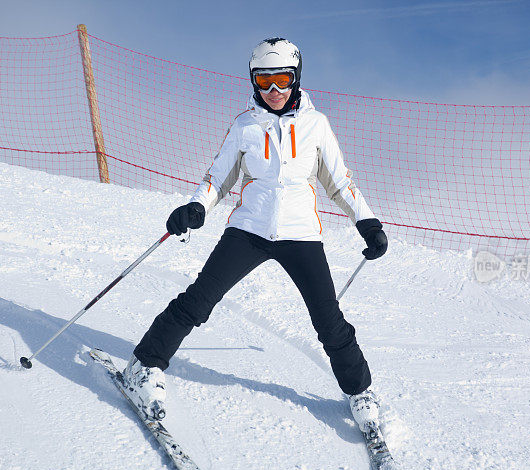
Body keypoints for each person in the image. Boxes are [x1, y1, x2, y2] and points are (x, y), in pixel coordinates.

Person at [122, 38, 388, 431]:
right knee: (198, 300)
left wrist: (367, 222)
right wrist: (196, 206)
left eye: (283, 79)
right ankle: (144, 366)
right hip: (248, 230)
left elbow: (341, 183)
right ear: (254, 82)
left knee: (328, 320)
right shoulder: (245, 126)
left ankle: (359, 391)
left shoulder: (317, 125)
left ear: (296, 79)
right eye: (265, 82)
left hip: (300, 236)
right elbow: (218, 177)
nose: (274, 91)